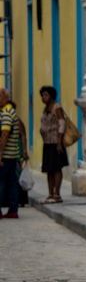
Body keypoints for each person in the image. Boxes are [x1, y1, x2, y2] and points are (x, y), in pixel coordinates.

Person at [39, 85, 69, 203]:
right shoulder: (45, 109)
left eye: (46, 95)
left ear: (51, 96)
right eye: (42, 95)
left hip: (55, 142)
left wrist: (59, 142)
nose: (43, 97)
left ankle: (57, 194)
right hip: (47, 142)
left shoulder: (56, 107)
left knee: (56, 168)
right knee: (49, 169)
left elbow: (62, 123)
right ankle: (50, 193)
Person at [0, 88, 24, 218]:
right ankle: (13, 209)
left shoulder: (7, 112)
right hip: (13, 154)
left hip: (6, 155)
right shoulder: (9, 111)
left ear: (5, 97)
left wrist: (0, 153)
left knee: (1, 182)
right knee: (12, 182)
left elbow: (5, 134)